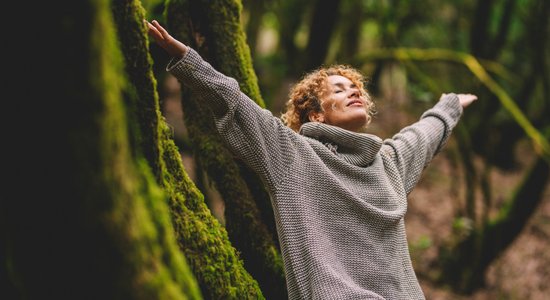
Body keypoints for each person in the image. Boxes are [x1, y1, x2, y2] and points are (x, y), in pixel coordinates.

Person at [146, 19, 477, 300]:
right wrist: (187, 58)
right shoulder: (293, 156)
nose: (354, 91)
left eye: (355, 87)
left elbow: (421, 135)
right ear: (316, 114)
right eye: (338, 89)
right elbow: (235, 103)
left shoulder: (388, 163)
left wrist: (450, 106)